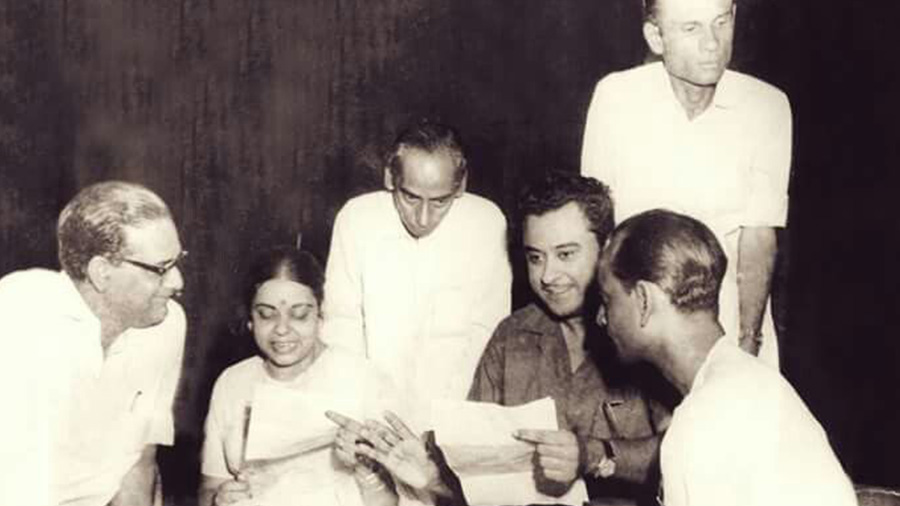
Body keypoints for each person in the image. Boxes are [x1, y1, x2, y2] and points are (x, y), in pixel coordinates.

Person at [330, 173, 668, 506]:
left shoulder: (645, 329)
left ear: (607, 248)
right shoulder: (512, 338)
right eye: (535, 257)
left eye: (566, 254)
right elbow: (479, 487)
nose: (548, 276)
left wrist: (595, 454)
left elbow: (687, 446)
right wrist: (433, 479)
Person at [581, 0, 792, 367]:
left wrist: (747, 344)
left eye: (721, 22)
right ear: (656, 37)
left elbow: (759, 236)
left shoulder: (766, 106)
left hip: (729, 323)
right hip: (634, 322)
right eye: (691, 28)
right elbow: (595, 221)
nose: (712, 43)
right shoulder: (616, 99)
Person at [596, 209, 856, 506]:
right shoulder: (750, 381)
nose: (601, 317)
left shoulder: (701, 421)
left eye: (607, 299)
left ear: (644, 300)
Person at [0, 181, 187, 506]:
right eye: (161, 269)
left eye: (177, 262)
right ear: (101, 272)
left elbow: (139, 461)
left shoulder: (166, 323)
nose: (177, 282)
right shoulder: (19, 316)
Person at [199, 247, 417, 506]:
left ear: (320, 314)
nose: (282, 329)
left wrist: (369, 472)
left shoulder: (363, 379)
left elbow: (404, 499)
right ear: (250, 320)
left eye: (299, 315)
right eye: (266, 315)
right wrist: (218, 499)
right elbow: (209, 488)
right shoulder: (232, 383)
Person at [323, 120, 512, 408]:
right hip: (371, 406)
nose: (423, 218)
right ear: (390, 177)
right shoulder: (356, 218)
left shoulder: (486, 223)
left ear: (461, 185)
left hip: (458, 407)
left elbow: (488, 331)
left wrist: (449, 416)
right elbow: (341, 325)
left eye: (440, 201)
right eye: (410, 197)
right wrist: (360, 408)